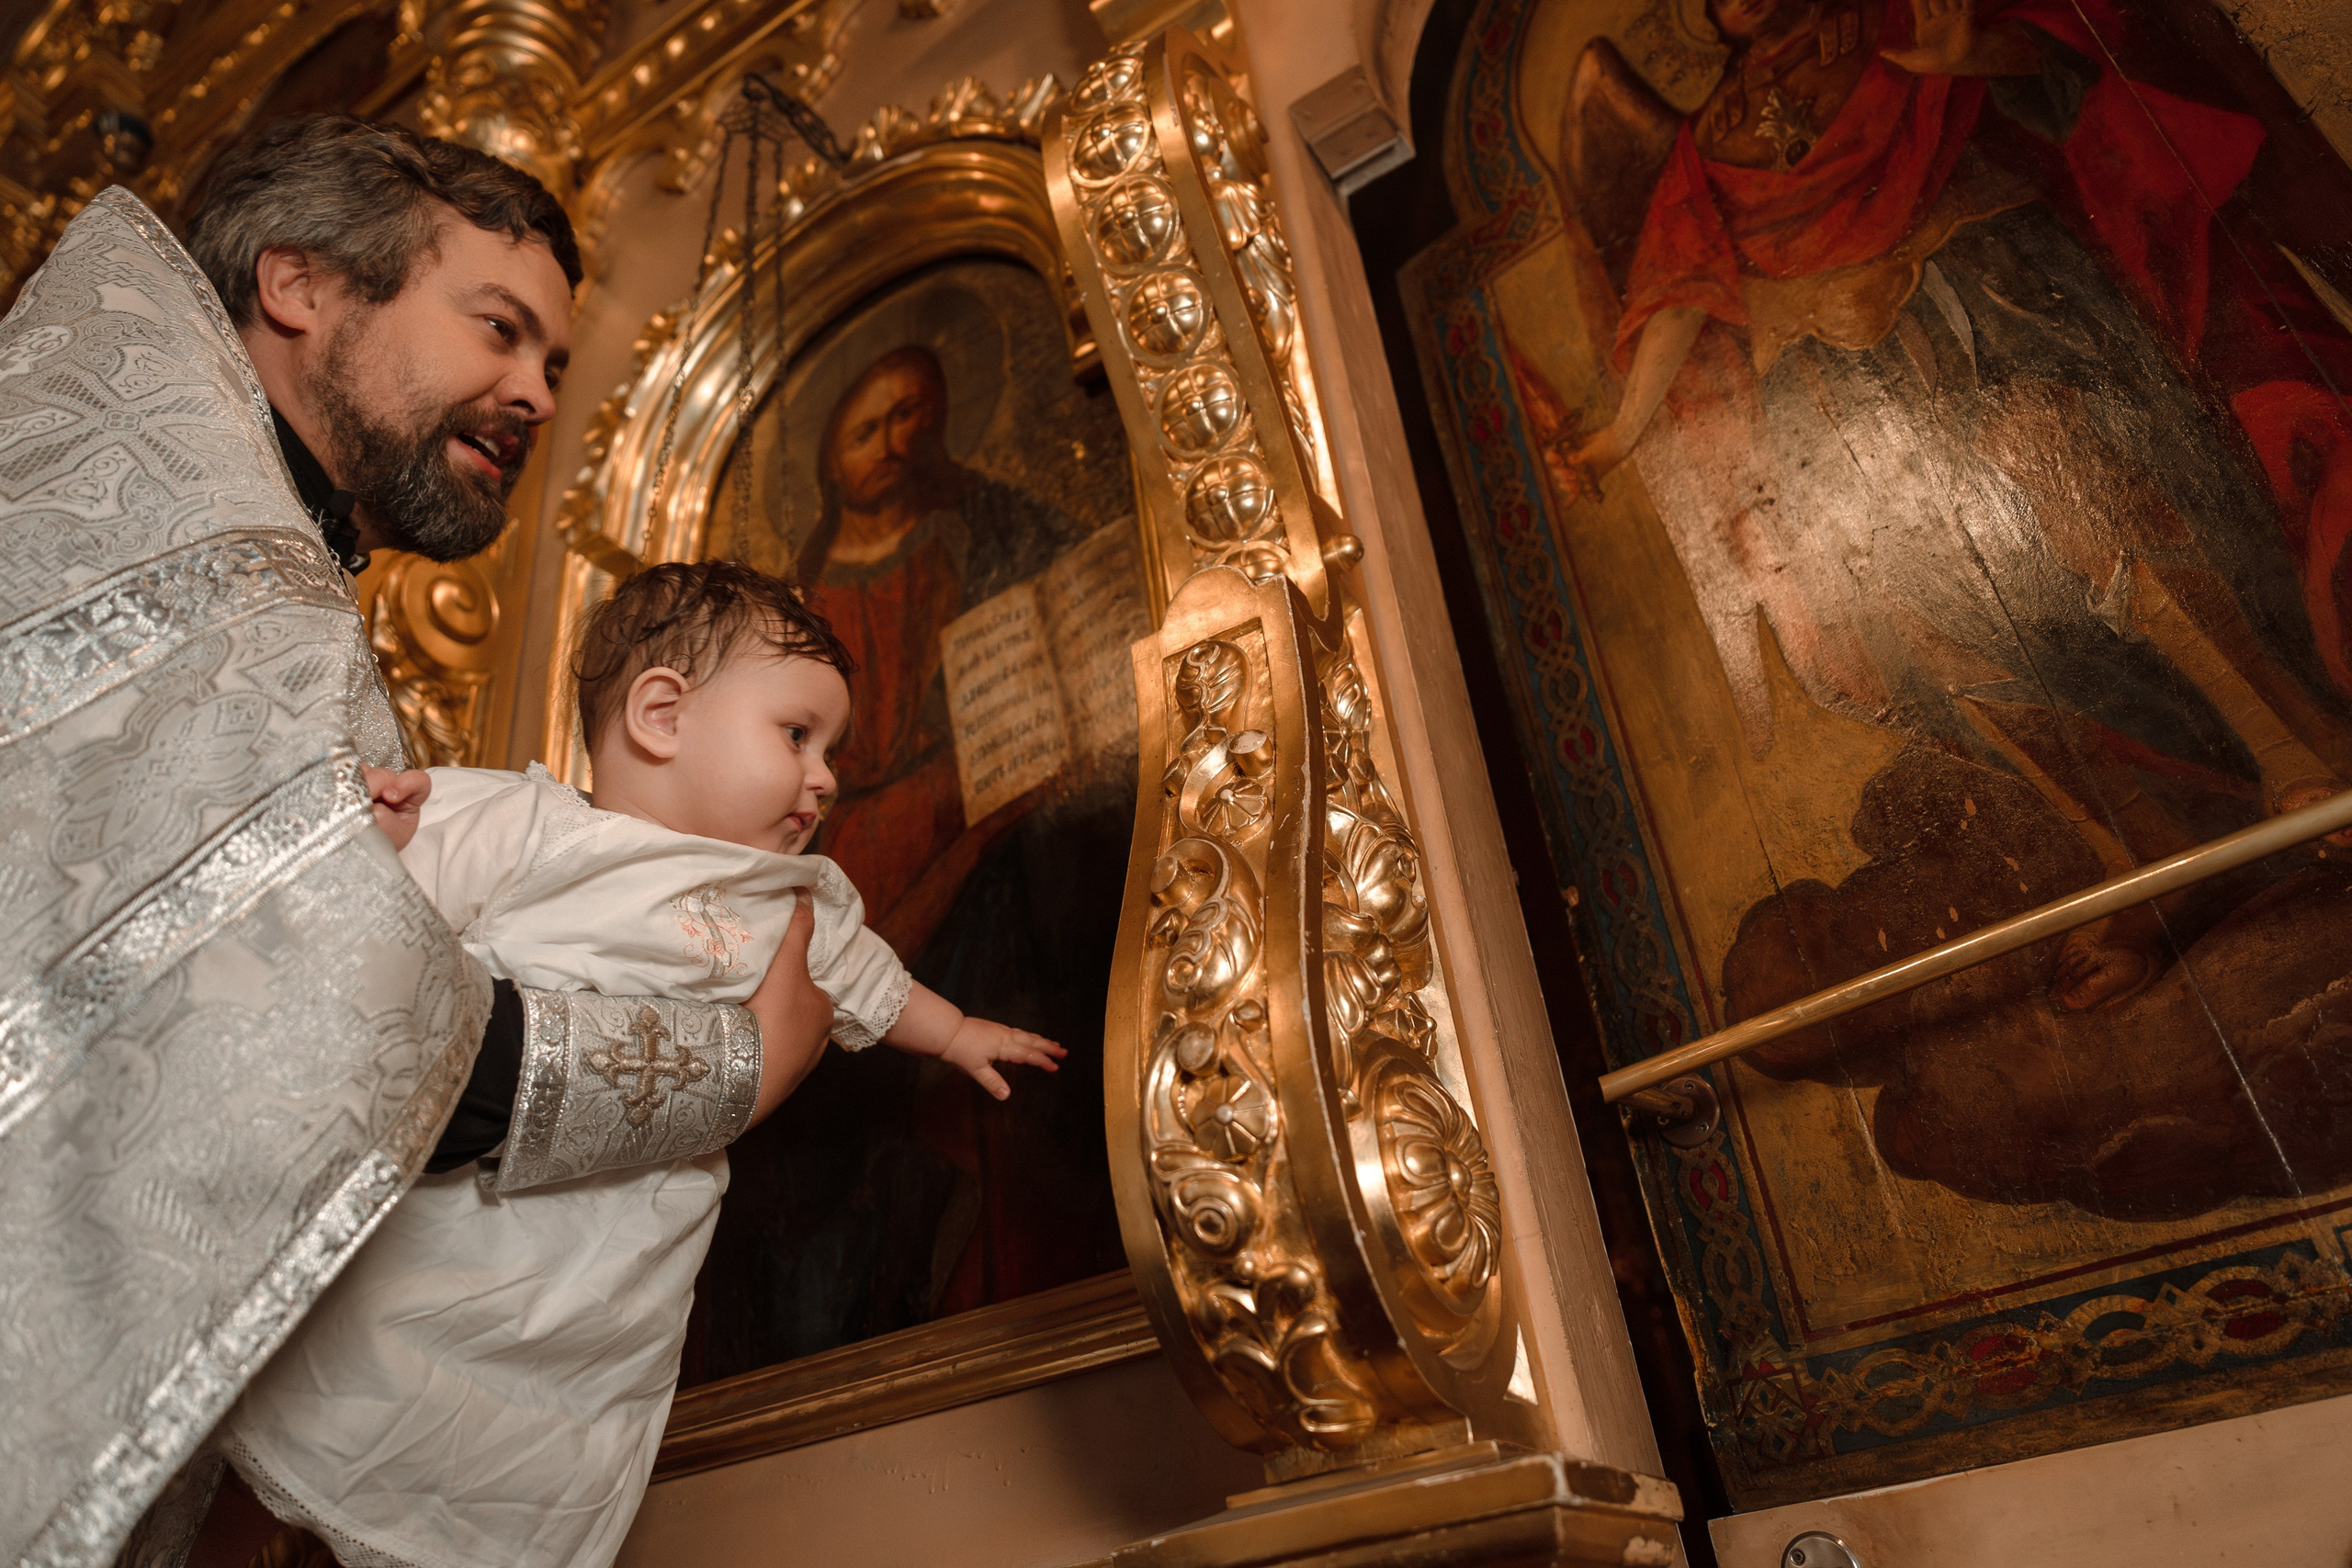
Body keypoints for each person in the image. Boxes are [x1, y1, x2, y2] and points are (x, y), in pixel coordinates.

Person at [0, 117, 831, 1568]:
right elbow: (331, 1030)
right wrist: (733, 1063)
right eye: (500, 329)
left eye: (557, 368)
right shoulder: (191, 546)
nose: (533, 394)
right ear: (301, 285)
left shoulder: (230, 537)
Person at [214, 560, 1062, 1568]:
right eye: (797, 735)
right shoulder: (529, 827)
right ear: (660, 714)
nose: (827, 775)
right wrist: (386, 838)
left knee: (526, 1443)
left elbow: (875, 985)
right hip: (457, 1215)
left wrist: (959, 1031)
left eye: (830, 748)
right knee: (357, 1379)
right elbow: (380, 953)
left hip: (609, 1283)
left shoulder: (785, 896)